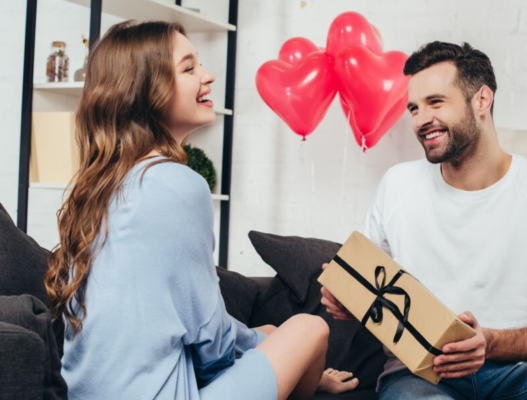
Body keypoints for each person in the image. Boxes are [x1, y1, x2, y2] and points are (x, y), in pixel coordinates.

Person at [44, 20, 357, 400]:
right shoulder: (177, 184)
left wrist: (267, 340)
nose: (207, 76)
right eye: (189, 68)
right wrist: (278, 352)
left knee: (276, 334)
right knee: (310, 328)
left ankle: (304, 370)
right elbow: (211, 343)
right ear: (145, 89)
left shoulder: (102, 185)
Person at [321, 41, 527, 399]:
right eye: (413, 108)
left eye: (435, 102)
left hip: (515, 374)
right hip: (420, 376)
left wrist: (492, 343)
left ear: (482, 100)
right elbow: (371, 288)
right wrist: (348, 297)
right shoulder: (397, 185)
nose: (420, 120)